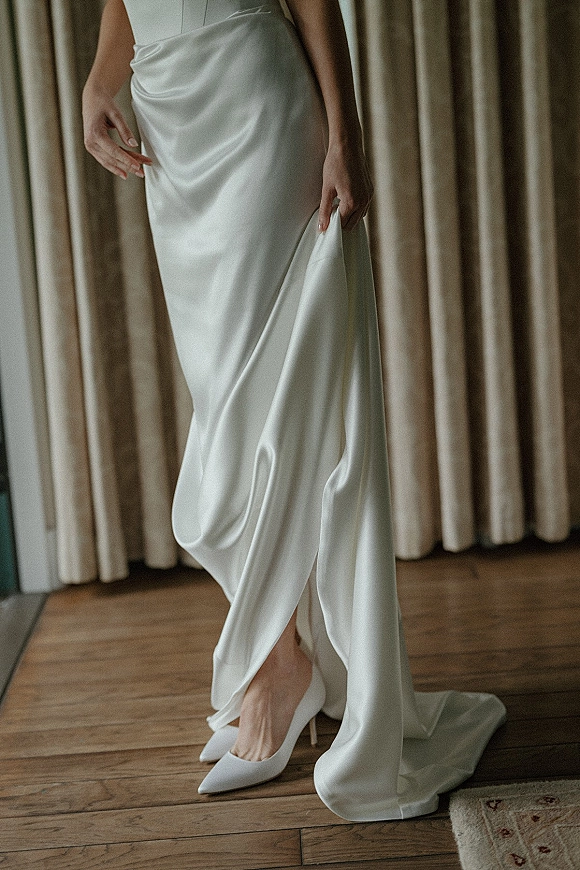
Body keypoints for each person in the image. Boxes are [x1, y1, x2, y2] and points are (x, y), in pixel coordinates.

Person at [83, 0, 506, 822]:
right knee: (220, 395)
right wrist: (102, 77)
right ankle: (282, 656)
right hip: (169, 117)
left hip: (253, 100)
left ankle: (280, 665)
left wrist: (343, 137)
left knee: (257, 403)